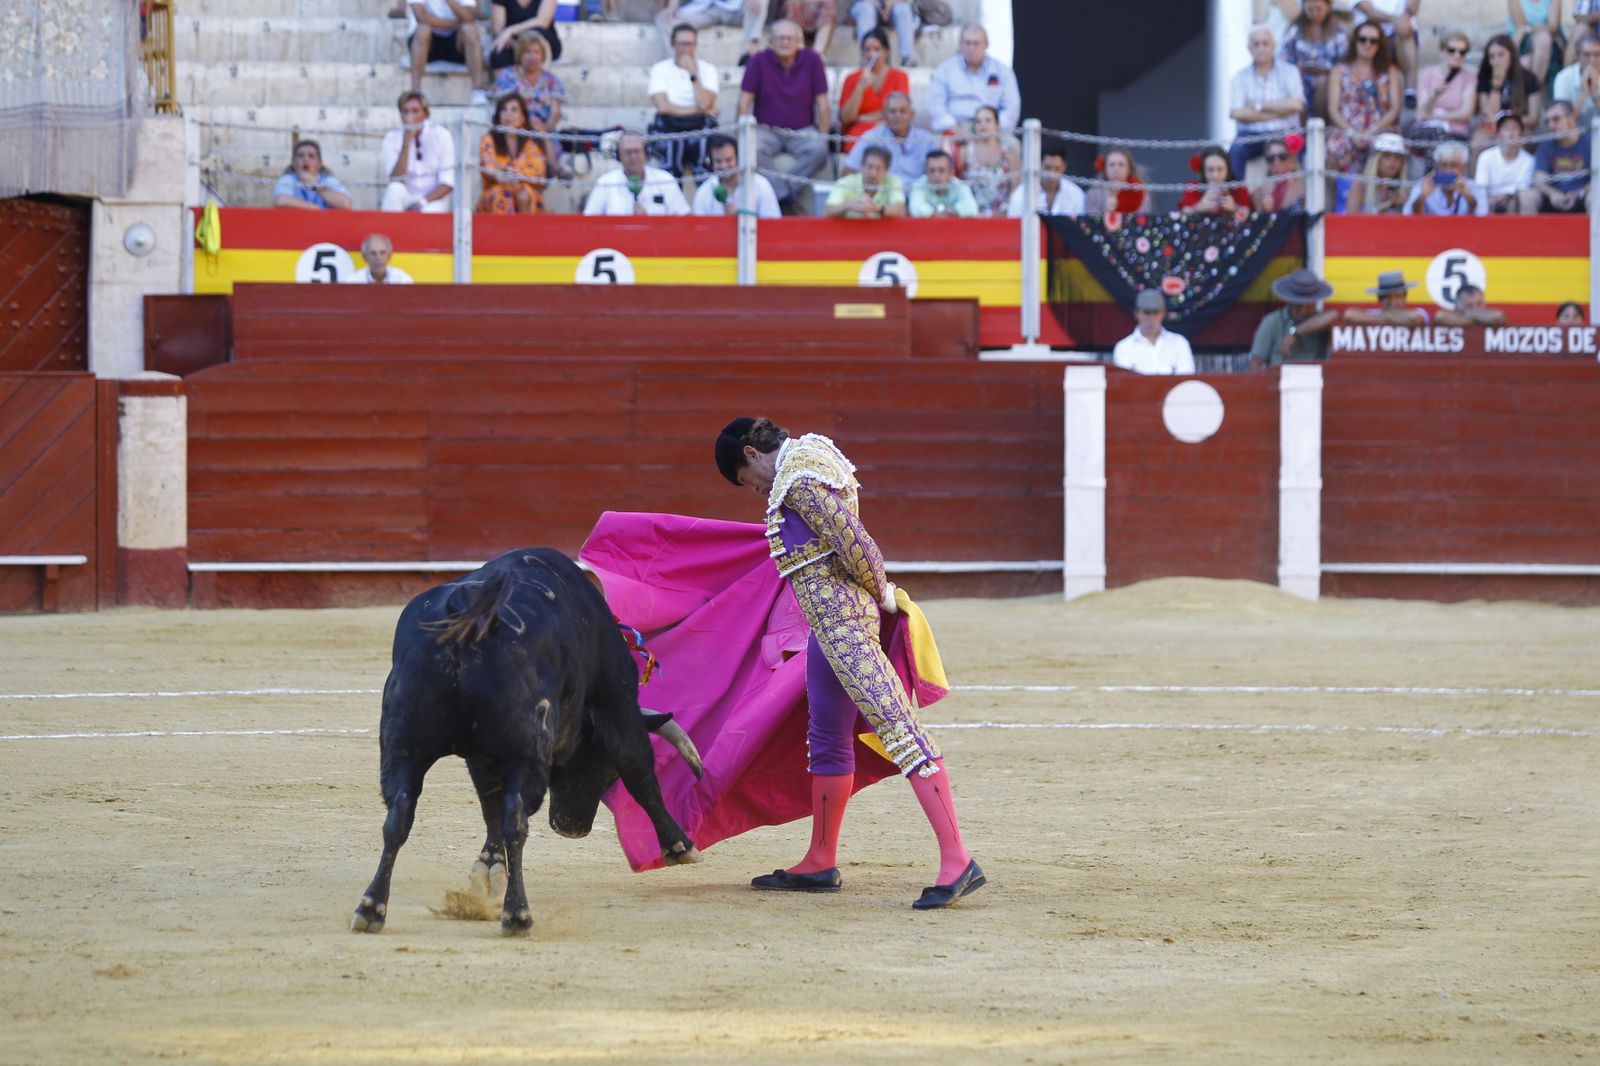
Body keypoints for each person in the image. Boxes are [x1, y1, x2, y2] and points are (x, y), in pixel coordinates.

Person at [712, 417, 984, 908]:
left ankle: (958, 860)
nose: (753, 492)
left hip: (847, 627)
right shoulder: (809, 458)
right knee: (827, 739)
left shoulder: (797, 482)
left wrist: (881, 593)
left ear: (752, 454)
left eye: (746, 480)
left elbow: (855, 542)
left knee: (900, 729)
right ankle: (820, 860)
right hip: (828, 633)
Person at [739, 20, 831, 213]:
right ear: (770, 41)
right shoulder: (758, 61)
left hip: (802, 129)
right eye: (780, 38)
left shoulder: (813, 60)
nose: (785, 42)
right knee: (751, 149)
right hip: (767, 129)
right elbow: (744, 101)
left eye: (789, 38)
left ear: (799, 41)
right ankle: (787, 198)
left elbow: (822, 103)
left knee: (819, 149)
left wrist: (824, 135)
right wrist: (743, 131)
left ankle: (782, 194)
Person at [1228, 25, 1306, 180]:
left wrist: (1259, 106)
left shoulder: (1289, 71)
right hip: (1252, 136)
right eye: (1256, 44)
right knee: (1235, 151)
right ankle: (1239, 201)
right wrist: (1280, 111)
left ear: (1273, 46)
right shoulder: (1240, 77)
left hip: (1286, 133)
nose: (1261, 48)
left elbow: (1297, 105)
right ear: (1249, 48)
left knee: (1304, 152)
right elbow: (1236, 112)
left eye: (1265, 43)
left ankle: (1301, 203)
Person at [1328, 23, 1404, 179]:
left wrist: (1371, 132)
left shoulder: (1390, 71)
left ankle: (1382, 199)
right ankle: (1339, 200)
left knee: (1387, 150)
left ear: (1379, 44)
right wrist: (1352, 133)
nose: (1367, 44)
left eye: (1373, 40)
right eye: (1362, 39)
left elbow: (1395, 109)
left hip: (1379, 128)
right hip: (1347, 129)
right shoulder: (1339, 70)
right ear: (1355, 41)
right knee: (1334, 147)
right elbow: (1333, 109)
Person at [647, 23, 720, 178]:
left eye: (691, 44)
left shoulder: (708, 70)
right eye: (683, 44)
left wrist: (693, 74)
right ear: (673, 45)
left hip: (700, 126)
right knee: (674, 146)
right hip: (668, 126)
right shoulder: (660, 69)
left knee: (702, 150)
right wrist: (700, 110)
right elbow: (663, 107)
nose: (687, 49)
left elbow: (704, 103)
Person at [491, 32, 566, 173]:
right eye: (527, 52)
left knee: (541, 133)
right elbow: (502, 105)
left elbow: (556, 112)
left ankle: (546, 171)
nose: (532, 57)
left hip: (544, 128)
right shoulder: (507, 77)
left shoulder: (552, 81)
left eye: (536, 52)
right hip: (513, 126)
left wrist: (545, 127)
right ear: (520, 54)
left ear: (542, 55)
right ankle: (555, 168)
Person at [928, 24, 1022, 132]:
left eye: (976, 43)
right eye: (967, 43)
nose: (971, 48)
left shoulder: (1002, 71)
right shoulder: (944, 70)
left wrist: (994, 126)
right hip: (956, 129)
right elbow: (936, 107)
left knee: (1013, 147)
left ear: (986, 44)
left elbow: (1012, 108)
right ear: (960, 44)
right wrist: (955, 128)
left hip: (994, 129)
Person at [380, 92, 456, 213]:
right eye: (405, 112)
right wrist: (407, 142)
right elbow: (396, 179)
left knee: (429, 211)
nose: (410, 116)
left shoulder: (441, 135)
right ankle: (387, 231)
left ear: (425, 114)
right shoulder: (392, 137)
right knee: (394, 190)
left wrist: (422, 202)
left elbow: (447, 183)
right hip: (407, 196)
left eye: (415, 111)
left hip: (433, 199)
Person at [583, 131, 692, 215]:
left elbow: (684, 218)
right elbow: (589, 222)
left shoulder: (665, 179)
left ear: (646, 153)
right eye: (628, 152)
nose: (633, 157)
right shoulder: (605, 182)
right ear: (618, 156)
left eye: (637, 151)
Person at [842, 92, 938, 184]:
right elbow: (849, 170)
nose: (897, 115)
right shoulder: (871, 138)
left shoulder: (927, 140)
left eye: (902, 111)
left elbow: (941, 172)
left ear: (912, 114)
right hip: (884, 196)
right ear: (884, 115)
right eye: (892, 111)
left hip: (917, 196)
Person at [1250, 268, 1339, 368]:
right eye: (1298, 305)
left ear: (1315, 303)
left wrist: (1295, 333)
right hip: (1279, 380)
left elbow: (1335, 315)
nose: (1303, 310)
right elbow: (1256, 364)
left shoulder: (1321, 321)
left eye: (1309, 306)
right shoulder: (1272, 322)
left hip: (1314, 380)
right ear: (1289, 302)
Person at [838, 28, 909, 151]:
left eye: (877, 49)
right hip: (859, 133)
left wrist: (865, 117)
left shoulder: (899, 76)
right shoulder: (852, 78)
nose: (872, 54)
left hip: (890, 130)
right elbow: (846, 118)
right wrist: (859, 89)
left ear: (886, 51)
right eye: (868, 50)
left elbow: (900, 112)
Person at [476, 92, 546, 214]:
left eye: (514, 110)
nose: (508, 114)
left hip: (526, 193)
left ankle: (525, 232)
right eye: (504, 110)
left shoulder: (532, 141)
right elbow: (487, 165)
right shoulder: (489, 138)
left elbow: (538, 171)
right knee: (502, 195)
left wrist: (506, 170)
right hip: (496, 191)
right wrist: (502, 175)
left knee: (523, 194)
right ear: (498, 116)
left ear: (523, 117)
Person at [407, 0, 487, 105]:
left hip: (456, 41)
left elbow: (469, 17)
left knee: (470, 29)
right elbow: (421, 17)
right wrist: (456, 22)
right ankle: (416, 92)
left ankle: (478, 91)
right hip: (428, 41)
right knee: (423, 29)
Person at [1279, 0, 1348, 117]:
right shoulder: (1295, 29)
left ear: (1328, 7)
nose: (1315, 13)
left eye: (1319, 9)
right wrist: (1296, 71)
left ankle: (1320, 123)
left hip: (1329, 79)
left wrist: (1327, 71)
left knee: (1322, 83)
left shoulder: (1339, 31)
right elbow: (1284, 58)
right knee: (1297, 87)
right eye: (1310, 9)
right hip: (1300, 76)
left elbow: (1345, 61)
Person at [692, 134, 783, 217]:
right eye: (718, 161)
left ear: (738, 159)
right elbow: (698, 229)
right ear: (711, 163)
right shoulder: (704, 191)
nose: (724, 166)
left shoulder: (761, 184)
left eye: (728, 160)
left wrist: (740, 215)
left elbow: (773, 221)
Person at [1412, 32, 1479, 142]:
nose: (1457, 55)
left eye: (1462, 52)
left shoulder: (1470, 77)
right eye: (1452, 50)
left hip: (1455, 131)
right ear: (1442, 51)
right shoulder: (1427, 74)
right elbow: (1422, 110)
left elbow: (1466, 113)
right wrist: (1434, 96)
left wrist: (1436, 117)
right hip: (1427, 130)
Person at [1112, 289, 1196, 375]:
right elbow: (1126, 383)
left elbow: (1185, 381)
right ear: (1137, 313)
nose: (1151, 318)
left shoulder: (1179, 343)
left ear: (1163, 313)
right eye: (1147, 312)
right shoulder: (1124, 347)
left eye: (1155, 312)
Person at [958, 105, 1019, 217]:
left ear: (997, 125)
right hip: (969, 215)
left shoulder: (1010, 154)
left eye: (988, 120)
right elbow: (956, 184)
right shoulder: (964, 152)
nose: (983, 124)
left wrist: (1004, 209)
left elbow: (1015, 188)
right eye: (978, 121)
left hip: (1002, 216)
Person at [655, 0, 763, 64]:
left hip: (738, 9)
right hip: (704, 9)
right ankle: (678, 63)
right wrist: (671, 7)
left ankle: (749, 51)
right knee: (664, 19)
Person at [1478, 33, 1543, 136]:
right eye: (1492, 56)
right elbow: (1489, 115)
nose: (1496, 61)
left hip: (1520, 127)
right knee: (1480, 138)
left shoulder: (1528, 78)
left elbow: (1533, 118)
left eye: (1501, 55)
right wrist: (1496, 86)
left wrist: (1508, 123)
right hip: (1493, 129)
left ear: (1511, 55)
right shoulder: (1485, 77)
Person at [1532, 99, 1592, 212]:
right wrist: (1552, 193)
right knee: (1528, 195)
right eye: (1547, 121)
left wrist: (1579, 193)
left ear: (1571, 118)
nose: (1551, 125)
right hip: (1554, 199)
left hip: (1583, 197)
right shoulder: (1546, 144)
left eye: (1556, 119)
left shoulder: (1591, 142)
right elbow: (1539, 179)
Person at [1474, 110, 1537, 213]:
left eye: (1514, 128)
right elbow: (1481, 188)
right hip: (1490, 202)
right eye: (1506, 128)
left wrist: (1506, 196)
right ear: (1498, 134)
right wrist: (1491, 200)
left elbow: (1522, 188)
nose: (1510, 132)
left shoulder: (1529, 160)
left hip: (1514, 202)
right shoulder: (1485, 157)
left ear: (1521, 133)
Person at [1351, 0, 1420, 93]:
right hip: (1370, 32)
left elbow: (1414, 3)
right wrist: (1395, 20)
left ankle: (1410, 92)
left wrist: (1406, 15)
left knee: (1405, 34)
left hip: (1400, 31)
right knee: (1368, 39)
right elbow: (1368, 11)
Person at [1405, 141, 1487, 215]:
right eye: (1443, 165)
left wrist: (1468, 197)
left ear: (1463, 168)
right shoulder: (1423, 185)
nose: (1447, 171)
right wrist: (1423, 196)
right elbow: (1408, 215)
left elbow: (1482, 217)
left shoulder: (1475, 188)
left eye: (1453, 165)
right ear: (1436, 167)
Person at [824, 144, 906, 218]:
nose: (873, 173)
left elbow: (900, 210)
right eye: (870, 167)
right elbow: (827, 210)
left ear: (886, 171)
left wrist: (878, 208)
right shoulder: (845, 182)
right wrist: (849, 205)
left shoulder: (894, 181)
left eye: (878, 168)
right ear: (861, 166)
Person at [1006, 143, 1085, 217]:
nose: (1052, 174)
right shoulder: (1021, 194)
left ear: (1064, 166)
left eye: (1057, 168)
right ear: (1039, 164)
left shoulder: (1076, 194)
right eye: (1048, 167)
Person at [273, 140, 353, 211]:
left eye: (311, 156)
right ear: (293, 163)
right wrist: (315, 209)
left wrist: (316, 185)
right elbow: (281, 201)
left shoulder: (328, 180)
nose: (305, 159)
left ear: (319, 164)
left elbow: (346, 204)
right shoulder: (288, 179)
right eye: (300, 156)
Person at [1346, 130, 1410, 213]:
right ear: (1376, 159)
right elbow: (1351, 221)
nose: (1392, 162)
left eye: (1397, 158)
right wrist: (1387, 205)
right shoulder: (1360, 184)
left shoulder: (1404, 187)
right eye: (1387, 156)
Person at [489, 0, 561, 70]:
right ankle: (503, 81)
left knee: (537, 34)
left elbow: (542, 23)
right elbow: (498, 28)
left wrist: (510, 30)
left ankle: (543, 78)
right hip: (514, 42)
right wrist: (515, 44)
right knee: (498, 54)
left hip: (543, 39)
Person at [1179, 147, 1255, 214]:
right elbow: (1184, 211)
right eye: (1210, 170)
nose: (1215, 175)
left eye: (1220, 169)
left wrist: (1235, 208)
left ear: (1228, 169)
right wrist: (1199, 207)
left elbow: (1249, 213)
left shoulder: (1238, 187)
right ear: (1203, 171)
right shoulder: (1194, 187)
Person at [1342, 269, 1429, 327]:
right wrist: (1392, 320)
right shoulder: (1375, 313)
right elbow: (1349, 315)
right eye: (1387, 297)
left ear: (1404, 297)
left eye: (1397, 297)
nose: (1393, 302)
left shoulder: (1419, 312)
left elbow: (1413, 319)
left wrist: (1379, 319)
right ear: (1380, 299)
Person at [1509, 0, 1565, 88]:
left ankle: (1534, 89)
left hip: (1549, 42)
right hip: (1524, 42)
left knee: (1543, 39)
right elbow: (1520, 25)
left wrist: (1530, 28)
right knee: (1526, 61)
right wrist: (1542, 28)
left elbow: (1553, 27)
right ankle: (1535, 89)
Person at [1083, 147, 1154, 216]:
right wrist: (1107, 211)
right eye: (1112, 165)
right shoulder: (1093, 195)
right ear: (1105, 169)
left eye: (1121, 165)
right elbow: (1092, 223)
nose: (1116, 169)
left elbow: (1144, 220)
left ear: (1129, 169)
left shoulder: (1140, 193)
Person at [909, 150, 978, 217]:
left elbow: (972, 209)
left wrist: (935, 212)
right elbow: (916, 210)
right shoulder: (918, 185)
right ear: (926, 172)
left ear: (951, 172)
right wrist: (951, 211)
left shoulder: (960, 185)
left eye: (941, 170)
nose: (936, 175)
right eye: (932, 171)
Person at [850, 0, 917, 67]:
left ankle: (906, 58)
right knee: (865, 9)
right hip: (868, 4)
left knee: (903, 9)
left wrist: (889, 5)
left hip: (893, 6)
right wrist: (880, 7)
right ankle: (867, 57)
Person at [1552, 31, 1600, 124]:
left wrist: (1594, 93)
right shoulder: (1563, 77)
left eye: (1597, 55)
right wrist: (1584, 93)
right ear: (1578, 56)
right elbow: (1562, 122)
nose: (1592, 60)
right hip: (1574, 134)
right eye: (1587, 55)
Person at [1254, 137, 1306, 211]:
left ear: (1291, 158)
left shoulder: (1302, 186)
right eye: (1271, 158)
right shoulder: (1260, 191)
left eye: (1282, 156)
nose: (1276, 162)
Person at [350, 233, 414, 284]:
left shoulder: (401, 279)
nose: (378, 258)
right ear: (365, 257)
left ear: (389, 256)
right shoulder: (353, 280)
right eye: (373, 253)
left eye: (382, 253)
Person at [1436, 283, 1510, 326]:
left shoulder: (1490, 314)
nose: (1475, 308)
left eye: (1479, 304)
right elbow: (1440, 317)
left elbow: (1500, 317)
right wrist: (1477, 319)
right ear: (1457, 306)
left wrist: (1470, 315)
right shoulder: (1451, 315)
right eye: (1469, 305)